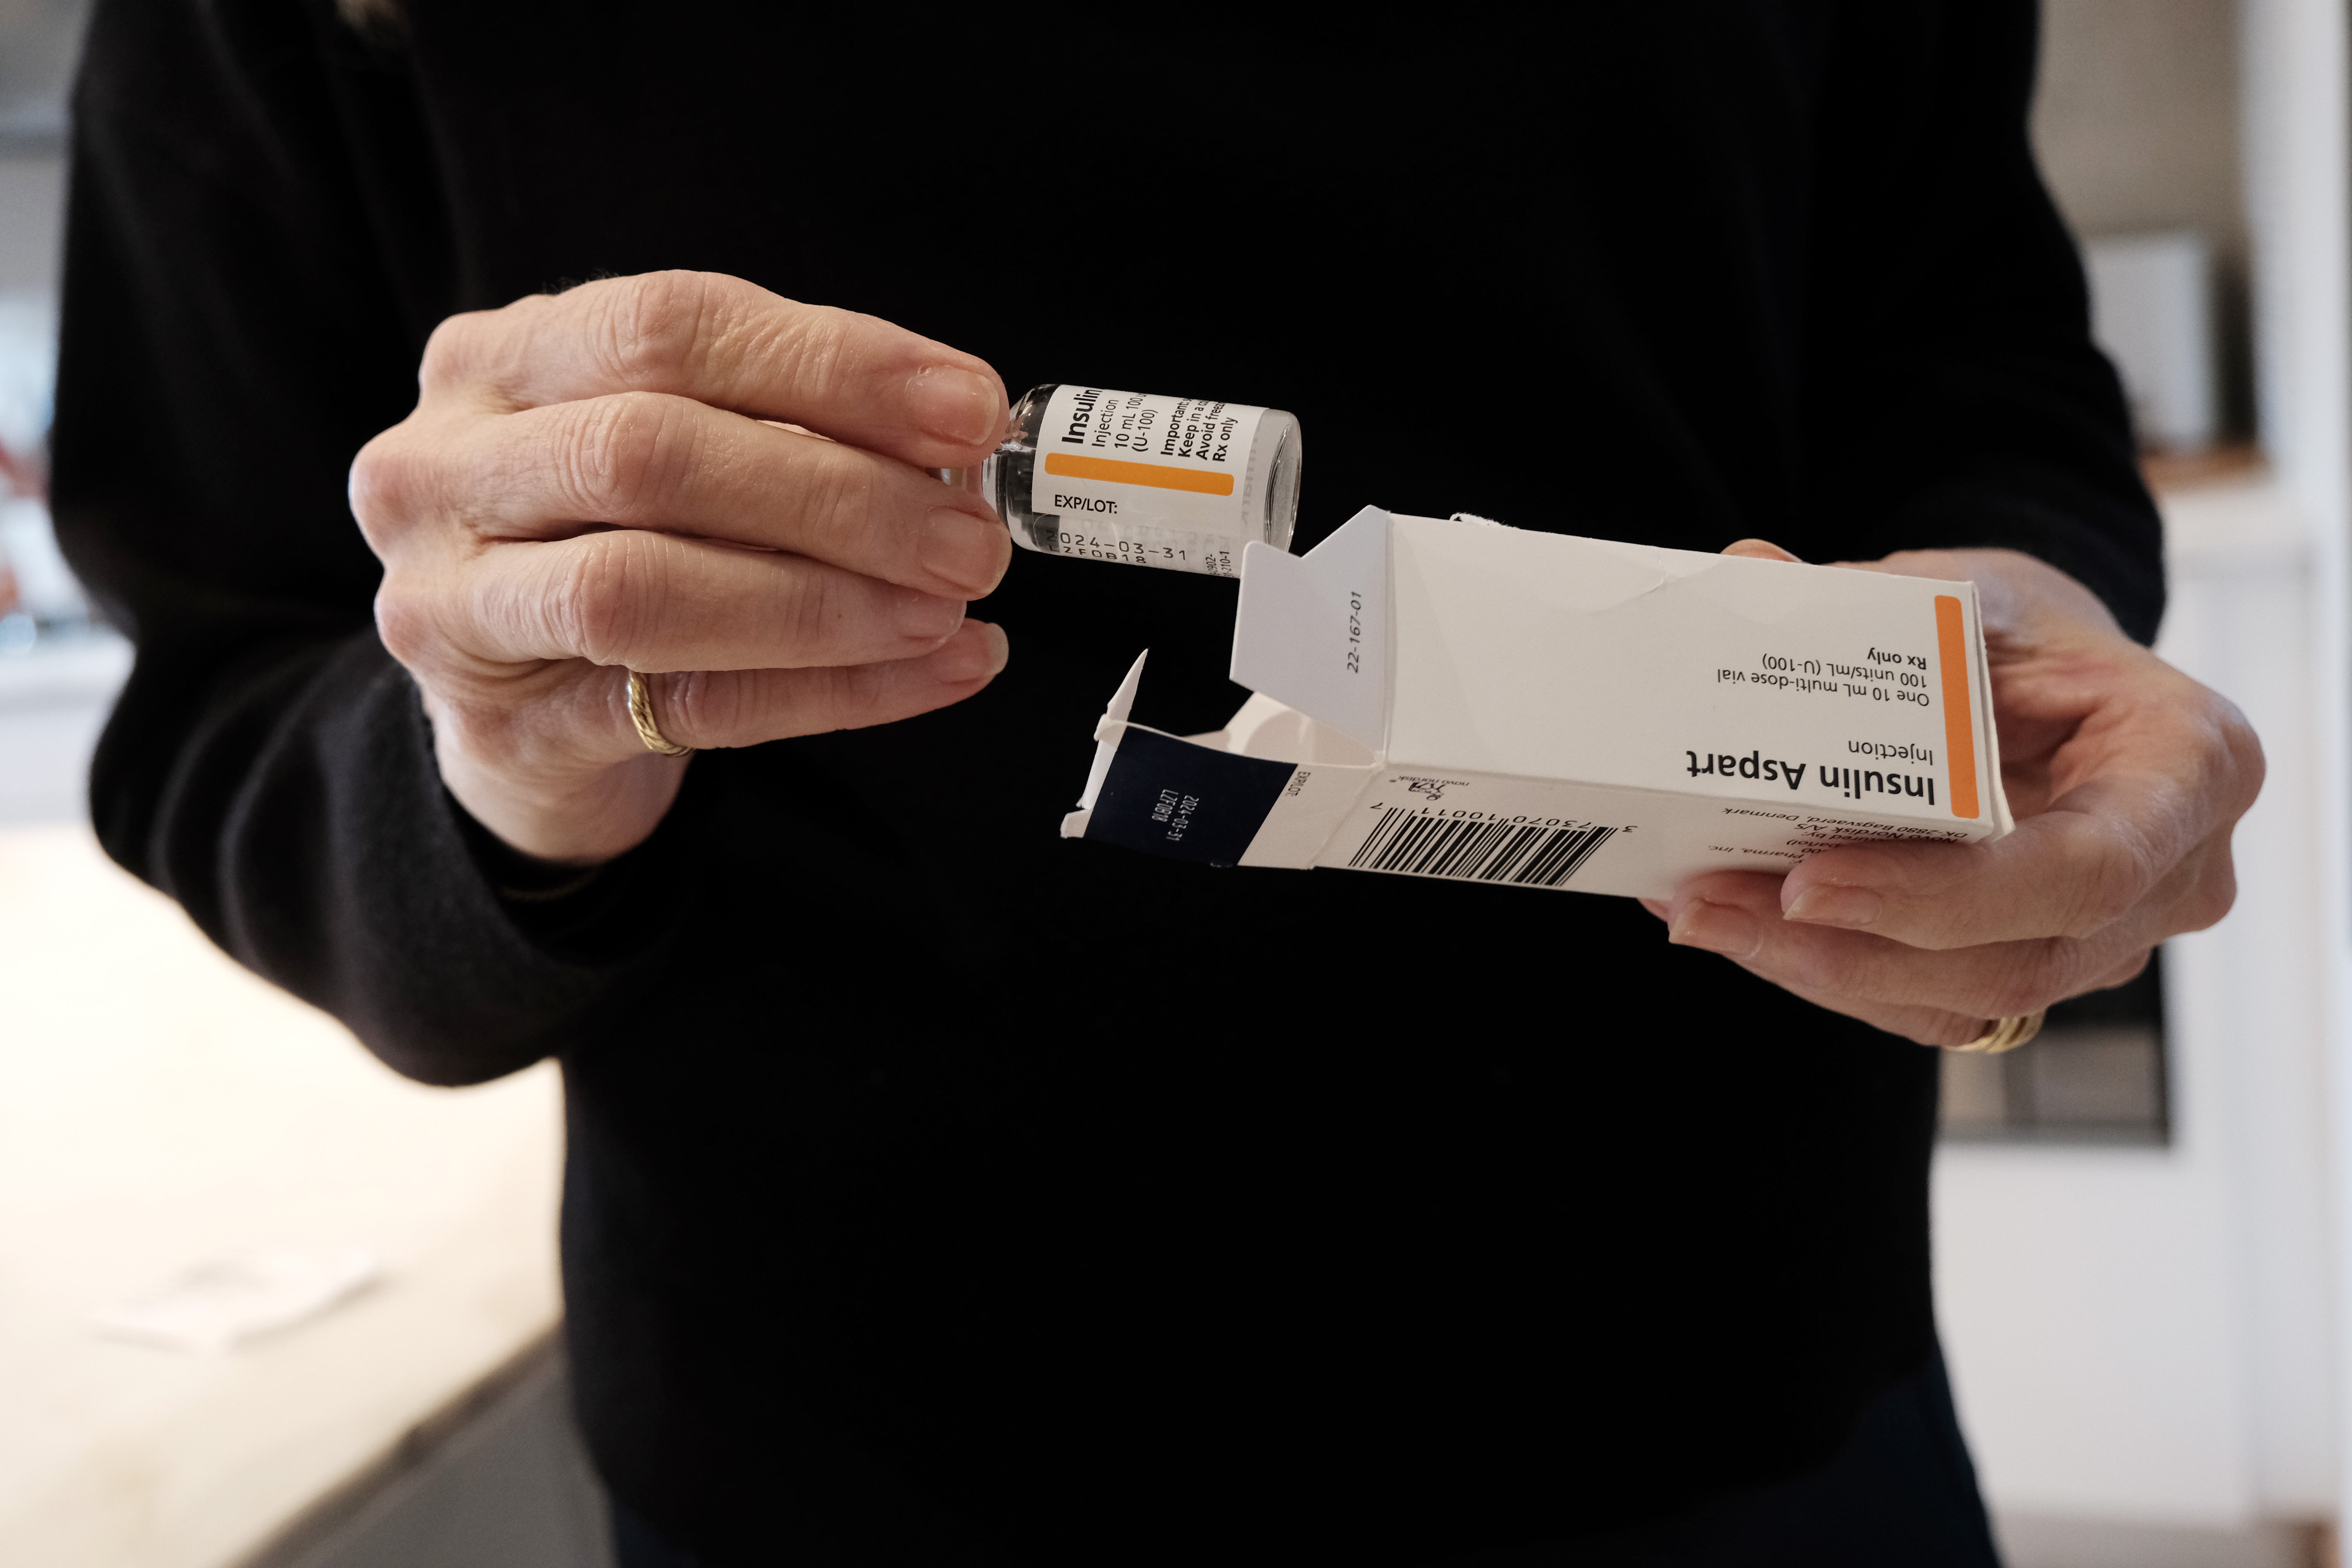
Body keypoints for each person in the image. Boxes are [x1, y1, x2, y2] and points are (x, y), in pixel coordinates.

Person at [52, 2, 2260, 1563]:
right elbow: (225, 691)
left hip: (1722, 1380)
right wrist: (503, 764)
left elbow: (1969, 354)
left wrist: (1992, 646)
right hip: (843, 1442)